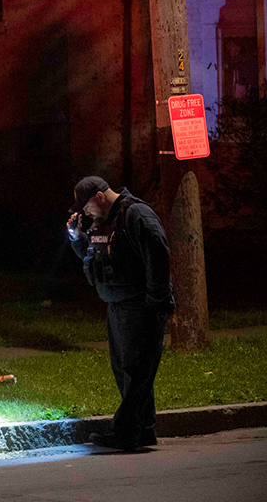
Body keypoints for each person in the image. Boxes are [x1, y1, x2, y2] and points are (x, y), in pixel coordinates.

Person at [66, 176, 175, 451]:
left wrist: (156, 301)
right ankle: (144, 430)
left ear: (100, 196)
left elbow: (158, 255)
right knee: (125, 370)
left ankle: (125, 432)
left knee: (137, 372)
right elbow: (95, 257)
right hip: (117, 305)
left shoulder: (135, 214)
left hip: (140, 305)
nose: (85, 212)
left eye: (86, 205)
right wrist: (76, 238)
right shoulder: (104, 221)